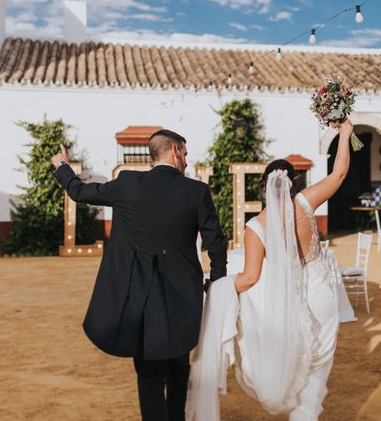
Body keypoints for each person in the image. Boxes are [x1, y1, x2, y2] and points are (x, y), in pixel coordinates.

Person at [51, 129, 227, 421]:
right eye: (185, 151)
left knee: (148, 374)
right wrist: (217, 282)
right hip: (184, 296)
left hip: (140, 297)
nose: (186, 158)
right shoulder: (196, 191)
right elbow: (216, 243)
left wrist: (62, 167)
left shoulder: (127, 183)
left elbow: (79, 192)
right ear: (174, 150)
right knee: (179, 366)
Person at [234, 119, 354, 420]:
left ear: (263, 185)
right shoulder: (304, 202)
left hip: (288, 302)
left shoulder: (255, 228)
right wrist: (344, 134)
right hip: (322, 294)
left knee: (295, 360)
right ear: (294, 182)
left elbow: (249, 278)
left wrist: (219, 286)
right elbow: (339, 174)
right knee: (318, 366)